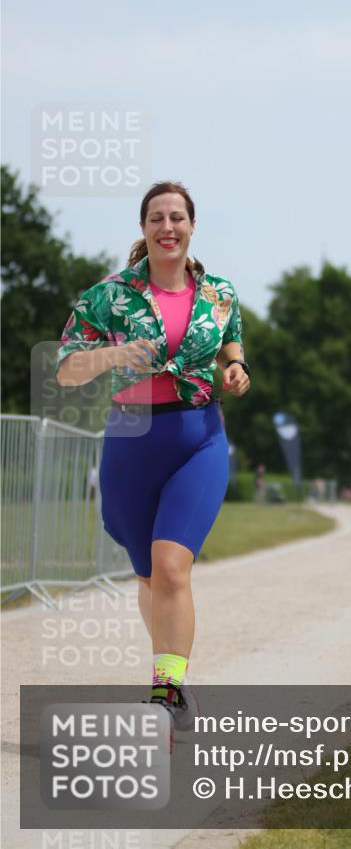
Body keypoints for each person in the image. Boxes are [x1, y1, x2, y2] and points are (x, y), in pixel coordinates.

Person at [55, 181, 250, 733]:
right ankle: (172, 680)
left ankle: (167, 692)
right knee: (147, 573)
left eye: (177, 218)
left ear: (192, 227)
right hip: (131, 438)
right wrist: (114, 353)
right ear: (143, 229)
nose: (168, 227)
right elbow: (67, 369)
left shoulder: (220, 293)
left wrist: (237, 369)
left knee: (171, 567)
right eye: (157, 218)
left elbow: (231, 340)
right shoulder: (107, 296)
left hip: (199, 438)